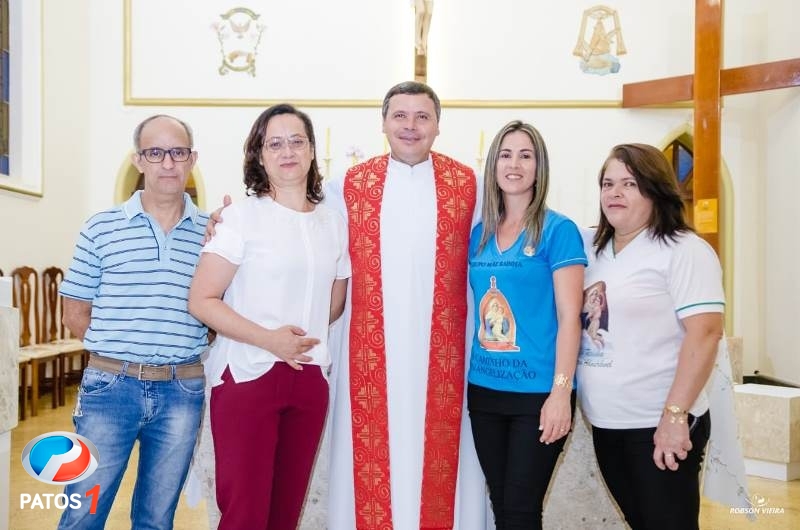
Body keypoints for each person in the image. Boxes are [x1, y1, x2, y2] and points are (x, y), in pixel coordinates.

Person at [325, 80, 489, 530]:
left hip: (445, 357)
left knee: (446, 461)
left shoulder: (468, 185)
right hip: (369, 358)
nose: (411, 126)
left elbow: (507, 238)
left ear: (438, 125)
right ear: (383, 123)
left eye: (422, 116)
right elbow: (305, 233)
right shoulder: (349, 186)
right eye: (400, 116)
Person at [187, 104, 350, 530]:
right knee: (245, 515)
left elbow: (334, 302)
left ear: (313, 150)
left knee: (285, 515)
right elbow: (203, 299)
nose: (287, 151)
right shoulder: (240, 218)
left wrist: (301, 334)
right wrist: (269, 338)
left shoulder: (333, 223)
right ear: (259, 155)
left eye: (297, 141)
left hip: (309, 378)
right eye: (274, 143)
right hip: (247, 376)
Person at [57, 115, 208, 530]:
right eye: (155, 153)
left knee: (157, 519)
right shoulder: (101, 228)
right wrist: (123, 352)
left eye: (178, 153)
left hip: (182, 390)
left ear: (191, 159)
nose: (168, 164)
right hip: (111, 389)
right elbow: (75, 313)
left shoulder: (213, 232)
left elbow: (217, 308)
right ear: (139, 160)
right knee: (82, 514)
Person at [578, 143, 724, 530]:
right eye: (608, 183)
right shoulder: (593, 250)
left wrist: (675, 416)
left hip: (657, 422)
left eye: (629, 183)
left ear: (656, 190)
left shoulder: (683, 250)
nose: (615, 192)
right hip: (608, 423)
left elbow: (706, 334)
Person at [467, 121, 586, 529]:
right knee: (502, 505)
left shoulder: (558, 230)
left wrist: (560, 393)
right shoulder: (478, 234)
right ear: (493, 165)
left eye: (525, 155)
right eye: (505, 154)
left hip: (536, 394)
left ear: (540, 166)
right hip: (484, 391)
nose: (514, 164)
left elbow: (572, 317)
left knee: (521, 510)